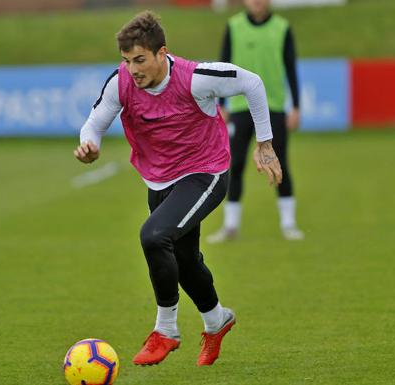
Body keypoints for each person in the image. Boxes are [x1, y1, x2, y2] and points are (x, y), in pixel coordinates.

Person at [74, 11, 282, 367]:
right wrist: (89, 145)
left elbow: (253, 83)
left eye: (140, 59)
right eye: (127, 61)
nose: (133, 69)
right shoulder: (120, 82)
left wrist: (265, 142)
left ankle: (166, 330)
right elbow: (94, 122)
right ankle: (217, 320)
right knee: (184, 260)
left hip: (206, 173)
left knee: (154, 236)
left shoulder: (195, 79)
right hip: (159, 180)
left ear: (161, 53)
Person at [207, 0, 304, 243]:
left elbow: (291, 68)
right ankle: (230, 226)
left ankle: (288, 223)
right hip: (239, 107)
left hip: (273, 107)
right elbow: (222, 65)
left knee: (280, 162)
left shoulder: (282, 27)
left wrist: (296, 106)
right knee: (235, 164)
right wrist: (222, 105)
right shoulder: (234, 25)